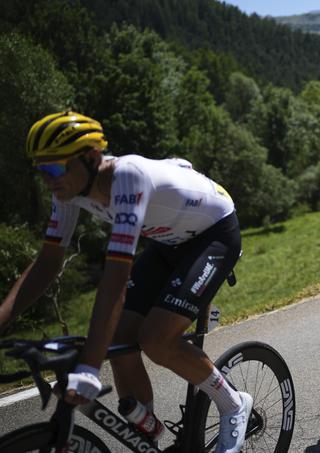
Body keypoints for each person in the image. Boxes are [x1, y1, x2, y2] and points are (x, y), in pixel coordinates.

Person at [0, 111, 250, 452]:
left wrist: (89, 366)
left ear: (90, 158)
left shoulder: (127, 178)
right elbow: (47, 262)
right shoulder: (68, 193)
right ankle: (147, 435)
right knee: (119, 340)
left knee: (156, 339)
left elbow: (116, 275)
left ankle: (233, 403)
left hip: (214, 235)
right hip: (167, 240)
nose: (49, 180)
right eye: (42, 170)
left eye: (55, 168)